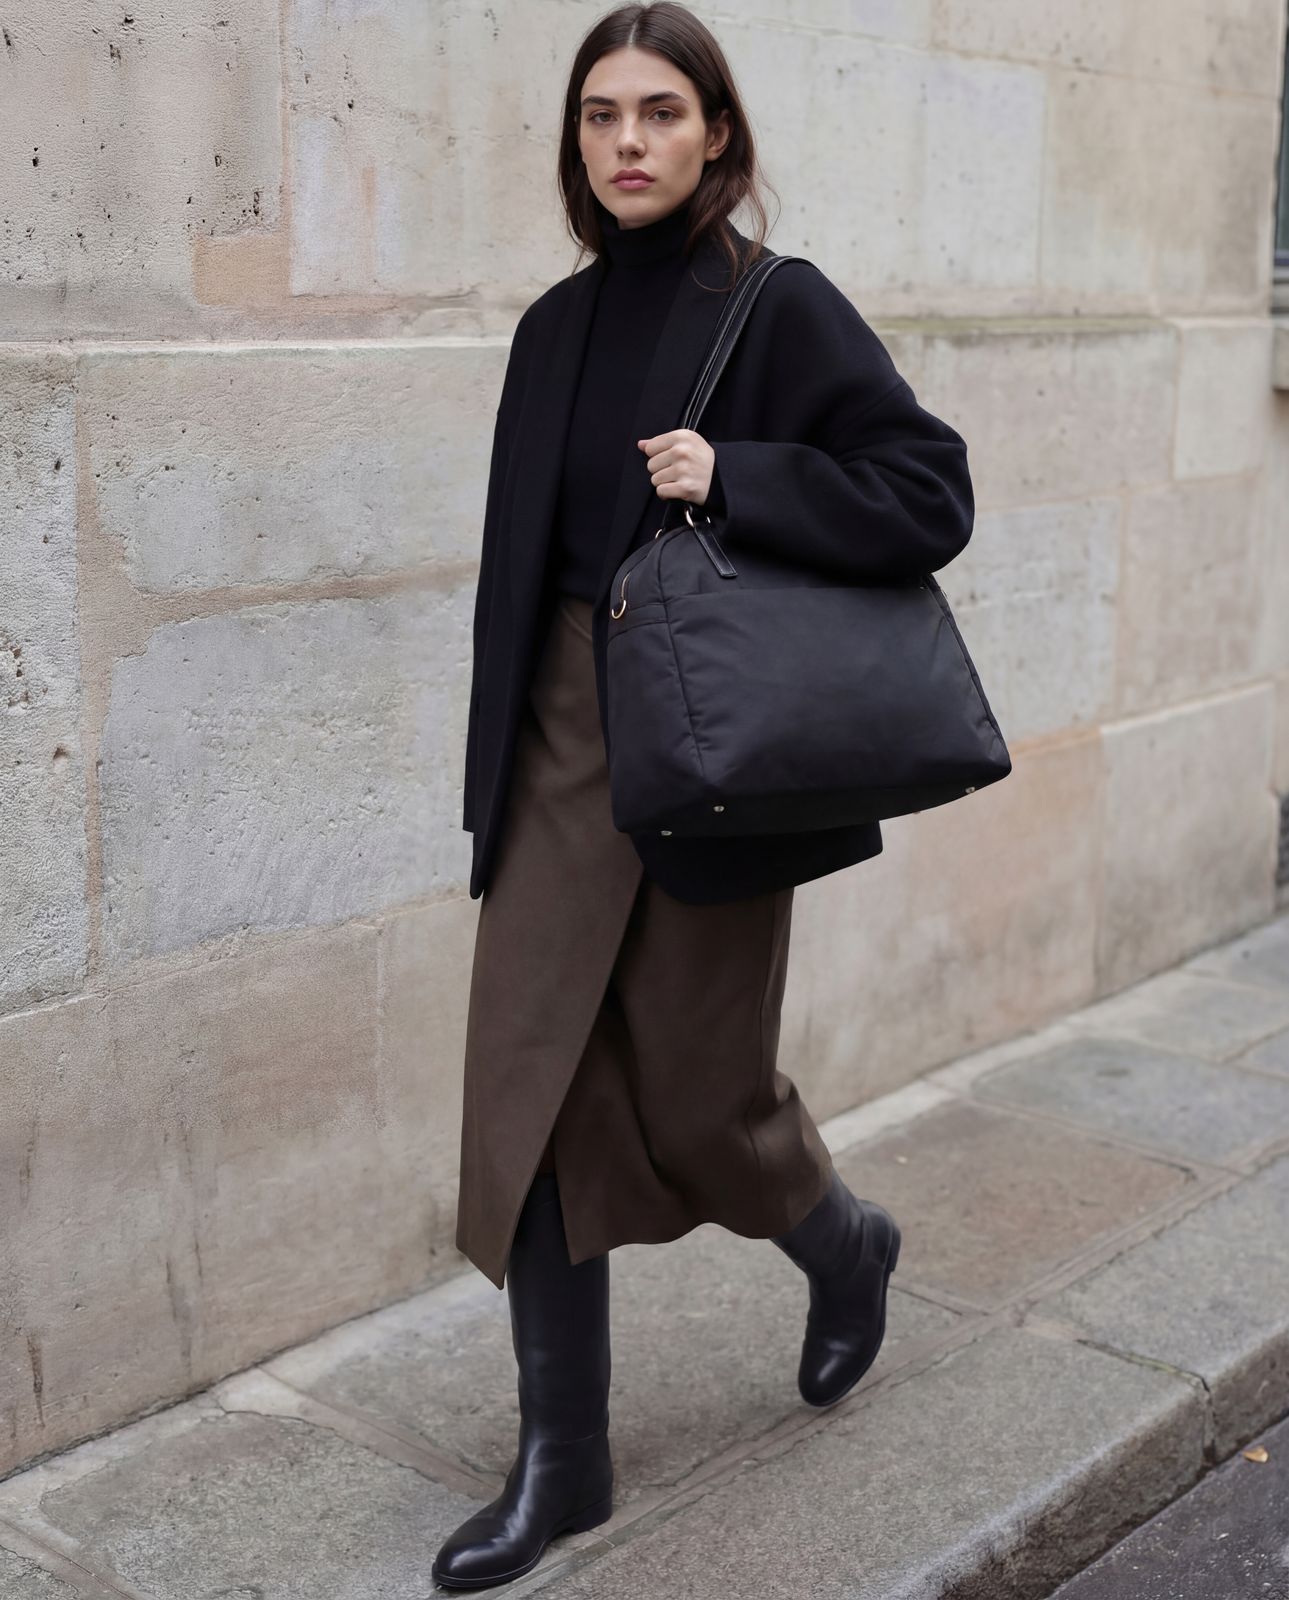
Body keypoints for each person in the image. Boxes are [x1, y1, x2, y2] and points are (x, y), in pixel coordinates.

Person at [433, 3, 974, 1589]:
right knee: (524, 1096)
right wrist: (490, 778)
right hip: (553, 743)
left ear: (716, 136)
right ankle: (566, 1464)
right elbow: (515, 579)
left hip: (704, 756)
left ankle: (840, 1235)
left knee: (696, 1103)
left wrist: (739, 474)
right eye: (600, 115)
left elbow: (925, 489)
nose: (626, 143)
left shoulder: (777, 308)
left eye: (659, 113)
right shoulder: (551, 328)